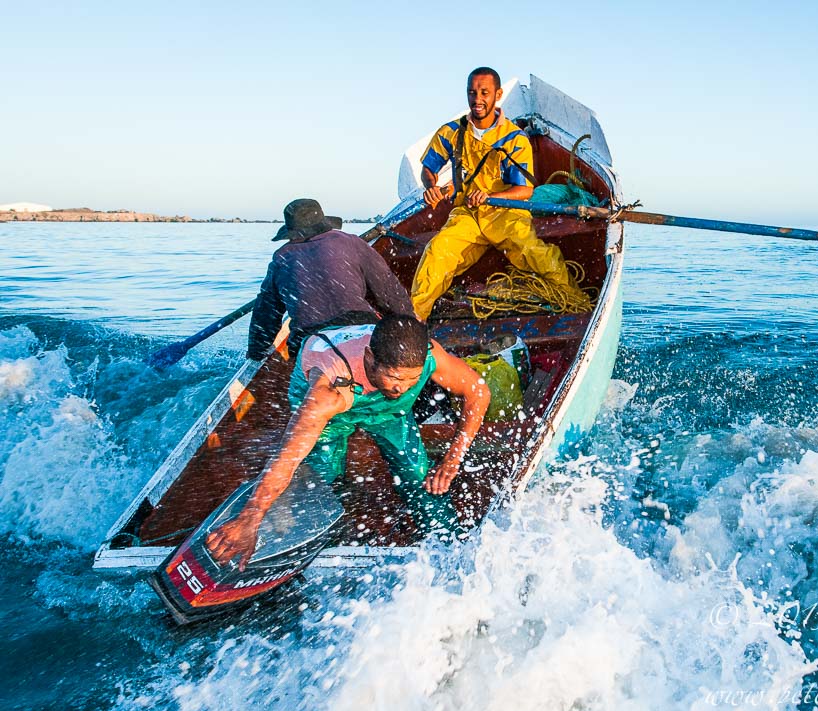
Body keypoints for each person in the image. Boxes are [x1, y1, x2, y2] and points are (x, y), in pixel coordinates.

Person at [207, 314, 490, 569]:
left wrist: (452, 460)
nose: (400, 387)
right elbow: (287, 456)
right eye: (393, 377)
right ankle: (323, 529)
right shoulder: (325, 390)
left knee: (417, 474)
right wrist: (250, 518)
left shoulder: (429, 356)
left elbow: (478, 391)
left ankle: (450, 545)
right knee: (318, 476)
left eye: (411, 380)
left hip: (388, 411)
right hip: (337, 398)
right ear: (369, 357)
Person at [410, 66, 589, 321]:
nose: (477, 99)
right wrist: (431, 187)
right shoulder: (451, 132)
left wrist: (488, 195)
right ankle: (415, 322)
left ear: (498, 94)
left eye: (484, 93)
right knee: (437, 251)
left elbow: (525, 191)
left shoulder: (514, 139)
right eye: (472, 93)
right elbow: (428, 168)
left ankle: (578, 304)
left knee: (535, 253)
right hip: (468, 215)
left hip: (507, 213)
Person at [247, 198, 414, 360]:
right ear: (324, 224)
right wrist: (411, 325)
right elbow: (389, 292)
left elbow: (266, 313)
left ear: (291, 233)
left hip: (310, 339)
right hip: (360, 328)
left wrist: (256, 351)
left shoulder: (282, 257)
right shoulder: (351, 242)